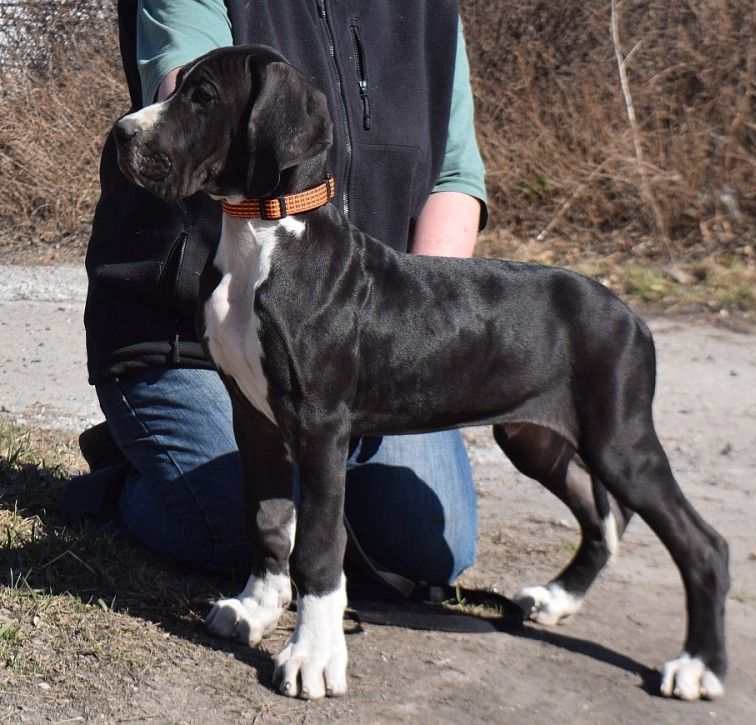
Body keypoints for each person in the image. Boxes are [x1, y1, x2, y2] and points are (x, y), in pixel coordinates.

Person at [63, 0, 489, 586]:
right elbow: (189, 100)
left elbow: (454, 178)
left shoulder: (429, 10)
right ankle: (135, 473)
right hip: (191, 331)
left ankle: (293, 473)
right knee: (235, 523)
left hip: (358, 336)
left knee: (423, 548)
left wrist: (413, 337)